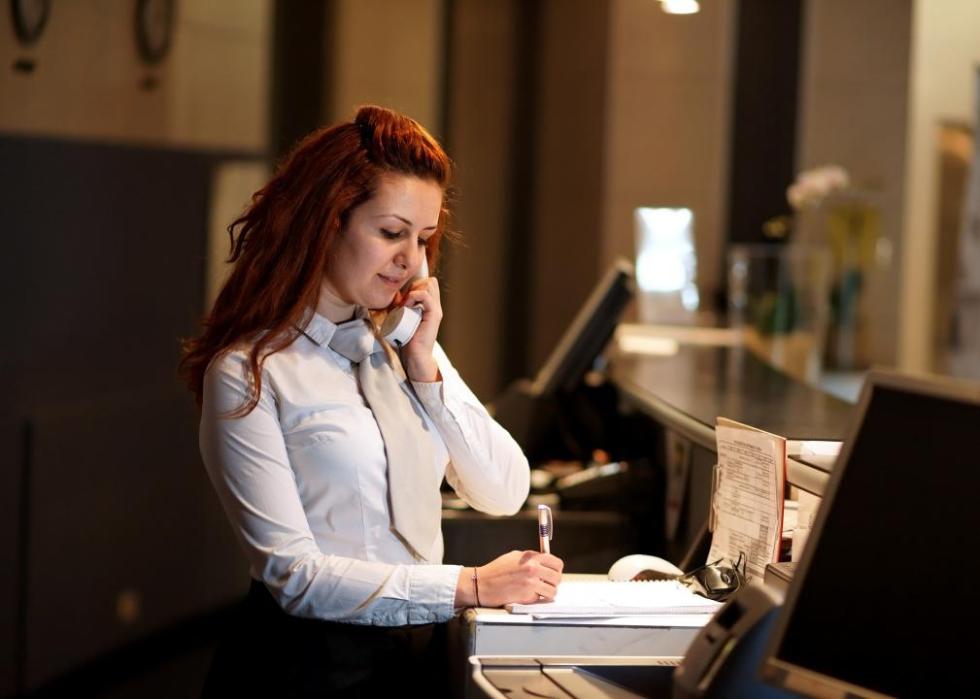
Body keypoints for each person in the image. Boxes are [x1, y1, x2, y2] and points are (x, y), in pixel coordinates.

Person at [179, 105, 564, 697]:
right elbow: (294, 576)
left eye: (425, 238)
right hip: (307, 668)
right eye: (390, 233)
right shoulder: (248, 372)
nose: (412, 260)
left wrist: (426, 369)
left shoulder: (405, 348)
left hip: (415, 657)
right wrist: (469, 586)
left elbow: (503, 489)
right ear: (326, 223)